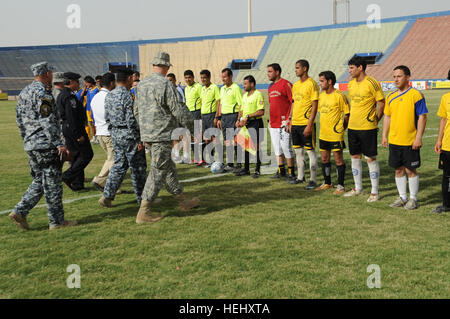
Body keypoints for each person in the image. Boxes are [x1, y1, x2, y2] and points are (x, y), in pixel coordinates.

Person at [133, 51, 199, 223]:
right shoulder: (166, 84)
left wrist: (143, 133)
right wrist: (194, 128)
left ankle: (182, 200)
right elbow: (178, 110)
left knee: (168, 168)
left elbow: (136, 111)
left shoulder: (141, 84)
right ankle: (144, 210)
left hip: (149, 134)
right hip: (162, 134)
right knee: (158, 171)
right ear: (167, 66)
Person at [10, 61, 76, 230]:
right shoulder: (44, 93)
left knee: (41, 180)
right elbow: (46, 120)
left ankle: (20, 210)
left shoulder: (24, 92)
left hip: (31, 144)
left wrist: (26, 139)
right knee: (53, 183)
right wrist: (59, 144)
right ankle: (57, 222)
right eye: (51, 72)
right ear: (47, 74)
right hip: (45, 144)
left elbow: (19, 120)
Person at [98, 69, 147, 208]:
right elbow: (131, 119)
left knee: (119, 166)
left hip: (116, 134)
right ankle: (142, 199)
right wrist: (138, 139)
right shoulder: (127, 95)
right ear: (128, 79)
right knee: (138, 168)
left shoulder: (110, 95)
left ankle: (107, 195)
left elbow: (106, 116)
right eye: (132, 78)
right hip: (129, 136)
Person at [382, 65, 428, 210]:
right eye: (394, 76)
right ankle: (402, 197)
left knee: (410, 170)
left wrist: (418, 137)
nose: (396, 79)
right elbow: (387, 117)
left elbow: (422, 117)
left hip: (410, 141)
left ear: (408, 77)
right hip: (395, 141)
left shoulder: (416, 95)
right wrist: (384, 135)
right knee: (398, 170)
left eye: (399, 76)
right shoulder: (390, 96)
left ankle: (413, 199)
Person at [344, 56, 385, 202]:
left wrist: (375, 121)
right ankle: (358, 188)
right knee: (355, 157)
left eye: (351, 68)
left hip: (367, 128)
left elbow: (381, 102)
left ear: (360, 67)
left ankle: (375, 192)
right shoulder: (351, 84)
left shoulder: (372, 83)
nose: (349, 70)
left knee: (370, 159)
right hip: (353, 127)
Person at [57, 72, 94, 191]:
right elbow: (71, 116)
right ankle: (67, 176)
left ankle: (78, 183)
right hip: (74, 129)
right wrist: (78, 134)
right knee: (86, 155)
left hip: (68, 128)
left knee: (77, 156)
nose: (79, 84)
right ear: (71, 82)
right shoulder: (69, 96)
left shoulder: (64, 94)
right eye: (77, 81)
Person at [315, 71, 350, 194]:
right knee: (324, 159)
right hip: (323, 134)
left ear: (329, 81)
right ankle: (327, 182)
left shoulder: (340, 96)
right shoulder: (321, 96)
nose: (320, 84)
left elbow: (347, 114)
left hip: (335, 134)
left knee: (338, 160)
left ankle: (340, 185)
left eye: (322, 81)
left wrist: (341, 129)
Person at [289, 59, 319, 188]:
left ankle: (313, 179)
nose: (295, 70)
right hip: (295, 123)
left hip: (306, 124)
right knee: (298, 152)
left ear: (305, 68)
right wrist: (290, 120)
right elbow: (294, 103)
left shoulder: (312, 84)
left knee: (310, 151)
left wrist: (309, 124)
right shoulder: (295, 85)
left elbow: (315, 105)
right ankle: (300, 177)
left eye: (297, 68)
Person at [267, 63, 295, 181]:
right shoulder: (270, 87)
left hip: (284, 123)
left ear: (277, 72)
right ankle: (281, 171)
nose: (268, 74)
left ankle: (291, 173)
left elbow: (293, 102)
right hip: (273, 123)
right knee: (277, 148)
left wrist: (289, 119)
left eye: (270, 71)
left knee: (286, 148)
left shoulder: (286, 84)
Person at [90, 72, 116, 192]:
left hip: (99, 131)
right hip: (108, 132)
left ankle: (112, 186)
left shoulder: (95, 97)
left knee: (110, 159)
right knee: (114, 159)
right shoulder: (109, 96)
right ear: (112, 83)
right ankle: (100, 180)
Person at [235, 75, 265, 178]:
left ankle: (257, 170)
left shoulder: (258, 94)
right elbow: (241, 110)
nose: (244, 86)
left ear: (252, 84)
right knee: (246, 146)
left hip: (255, 123)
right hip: (245, 124)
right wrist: (239, 120)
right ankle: (246, 169)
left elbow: (261, 111)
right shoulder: (244, 96)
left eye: (245, 84)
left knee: (257, 147)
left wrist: (248, 116)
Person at [215, 68, 243, 172]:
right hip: (224, 117)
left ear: (231, 77)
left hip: (233, 116)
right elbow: (221, 104)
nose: (223, 79)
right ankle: (230, 164)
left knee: (235, 141)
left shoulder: (236, 88)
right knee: (227, 141)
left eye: (225, 77)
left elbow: (241, 104)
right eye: (222, 77)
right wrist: (219, 118)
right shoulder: (222, 89)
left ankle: (239, 164)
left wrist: (239, 118)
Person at [433, 70, 450, 213]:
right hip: (448, 144)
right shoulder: (446, 98)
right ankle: (446, 204)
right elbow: (443, 119)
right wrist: (439, 140)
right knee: (447, 176)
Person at [199, 69, 221, 166]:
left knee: (214, 138)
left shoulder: (214, 87)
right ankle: (211, 160)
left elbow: (219, 102)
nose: (203, 80)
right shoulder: (202, 89)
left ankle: (219, 159)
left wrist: (217, 116)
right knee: (207, 139)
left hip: (212, 115)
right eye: (201, 78)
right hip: (204, 116)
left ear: (209, 78)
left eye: (205, 78)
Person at [167, 73, 190, 163]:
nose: (169, 82)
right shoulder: (169, 91)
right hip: (173, 118)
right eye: (167, 81)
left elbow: (183, 103)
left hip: (180, 117)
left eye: (170, 80)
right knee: (175, 137)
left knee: (183, 136)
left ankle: (186, 156)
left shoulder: (179, 90)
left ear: (175, 80)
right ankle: (177, 155)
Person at [184, 69, 203, 164]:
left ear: (193, 77)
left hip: (197, 113)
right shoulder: (186, 88)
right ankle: (195, 157)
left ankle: (201, 158)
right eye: (186, 78)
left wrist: (201, 115)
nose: (188, 80)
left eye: (189, 77)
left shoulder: (198, 87)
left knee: (198, 136)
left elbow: (202, 99)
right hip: (188, 114)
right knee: (190, 136)